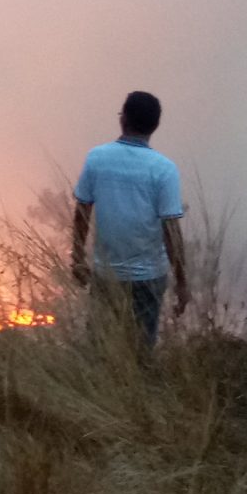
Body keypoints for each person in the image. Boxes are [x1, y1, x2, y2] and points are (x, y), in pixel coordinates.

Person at [69, 90, 190, 346]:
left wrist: (77, 258)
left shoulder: (97, 158)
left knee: (101, 347)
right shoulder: (164, 169)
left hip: (106, 276)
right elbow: (171, 231)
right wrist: (182, 282)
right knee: (140, 348)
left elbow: (82, 212)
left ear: (123, 119)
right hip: (148, 278)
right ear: (155, 126)